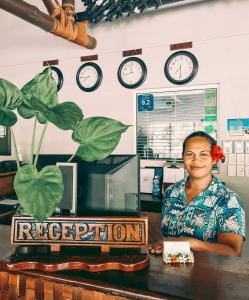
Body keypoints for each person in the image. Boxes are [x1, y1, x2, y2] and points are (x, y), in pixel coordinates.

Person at [150, 131, 246, 256]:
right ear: (183, 157)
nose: (196, 160)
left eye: (203, 154)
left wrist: (191, 244)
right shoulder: (171, 191)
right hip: (168, 270)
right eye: (190, 154)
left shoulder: (228, 200)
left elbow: (233, 252)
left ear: (214, 158)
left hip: (206, 274)